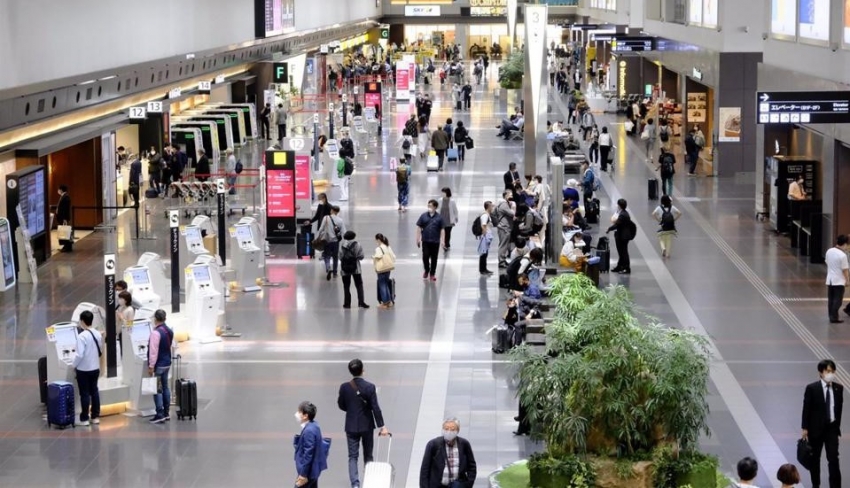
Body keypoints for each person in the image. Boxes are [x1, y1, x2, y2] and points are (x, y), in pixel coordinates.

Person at [338, 359, 390, 488]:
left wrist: (351, 409)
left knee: (352, 456)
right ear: (362, 370)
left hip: (350, 426)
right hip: (366, 425)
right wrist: (382, 426)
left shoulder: (344, 387)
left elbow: (341, 404)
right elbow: (375, 408)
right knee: (368, 454)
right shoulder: (370, 387)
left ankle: (355, 484)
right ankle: (369, 481)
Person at [802, 359, 844, 488]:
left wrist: (837, 428)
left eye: (832, 371)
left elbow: (839, 409)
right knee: (815, 460)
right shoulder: (812, 388)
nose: (830, 374)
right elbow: (806, 408)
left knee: (833, 459)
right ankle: (816, 484)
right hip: (816, 430)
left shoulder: (839, 388)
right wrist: (805, 428)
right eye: (828, 371)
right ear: (821, 372)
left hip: (831, 429)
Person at [419, 418, 477, 488]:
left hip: (458, 485)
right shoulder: (433, 444)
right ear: (443, 430)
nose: (449, 432)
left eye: (452, 429)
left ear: (457, 430)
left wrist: (468, 484)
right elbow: (425, 469)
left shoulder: (464, 444)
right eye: (446, 429)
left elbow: (472, 466)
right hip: (437, 485)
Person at [72, 310, 102, 426]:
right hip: (95, 368)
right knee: (94, 391)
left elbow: (79, 355)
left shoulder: (81, 336)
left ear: (82, 321)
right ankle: (95, 416)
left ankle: (84, 418)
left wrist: (73, 365)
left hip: (83, 370)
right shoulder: (97, 333)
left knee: (84, 393)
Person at [147, 309, 173, 423]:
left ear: (155, 319)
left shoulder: (155, 333)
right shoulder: (169, 330)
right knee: (165, 387)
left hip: (159, 365)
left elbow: (153, 351)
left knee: (157, 389)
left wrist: (151, 366)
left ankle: (159, 413)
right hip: (167, 363)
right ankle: (167, 413)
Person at [294, 401, 327, 488]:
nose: (297, 414)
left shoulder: (309, 431)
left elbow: (308, 454)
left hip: (308, 473)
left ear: (305, 416)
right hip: (313, 471)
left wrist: (303, 475)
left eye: (299, 412)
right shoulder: (314, 425)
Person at [416, 199, 446, 282]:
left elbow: (442, 230)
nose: (429, 207)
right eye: (428, 206)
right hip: (425, 240)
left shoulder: (439, 218)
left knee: (434, 258)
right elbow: (418, 227)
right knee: (425, 256)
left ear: (435, 207)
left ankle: (432, 273)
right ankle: (426, 269)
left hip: (435, 241)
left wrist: (443, 241)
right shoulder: (423, 216)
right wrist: (418, 238)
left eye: (431, 206)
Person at [339, 231, 368, 309]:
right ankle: (361, 302)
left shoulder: (342, 245)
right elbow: (361, 256)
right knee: (359, 285)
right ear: (353, 236)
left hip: (344, 269)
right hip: (356, 268)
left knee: (346, 286)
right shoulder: (357, 244)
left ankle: (347, 304)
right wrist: (355, 258)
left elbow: (340, 256)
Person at [825, 235, 850, 323]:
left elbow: (827, 262)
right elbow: (845, 269)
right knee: (837, 300)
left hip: (830, 279)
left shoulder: (829, 251)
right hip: (839, 280)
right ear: (845, 244)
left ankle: (831, 316)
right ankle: (834, 317)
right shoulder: (842, 255)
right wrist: (847, 280)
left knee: (831, 299)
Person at [607, 198, 635, 274]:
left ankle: (626, 268)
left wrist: (609, 229)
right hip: (620, 235)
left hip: (623, 236)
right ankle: (620, 266)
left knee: (623, 252)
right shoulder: (623, 213)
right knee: (621, 252)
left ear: (619, 205)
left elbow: (616, 224)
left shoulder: (623, 215)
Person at [317, 206, 345, 281]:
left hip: (327, 241)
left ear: (332, 210)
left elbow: (321, 229)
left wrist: (318, 237)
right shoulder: (340, 220)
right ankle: (335, 273)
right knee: (335, 257)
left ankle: (328, 267)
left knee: (327, 255)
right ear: (338, 212)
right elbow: (343, 232)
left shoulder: (326, 218)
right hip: (335, 241)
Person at [372, 234, 396, 309]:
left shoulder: (379, 248)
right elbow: (393, 257)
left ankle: (385, 303)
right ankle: (389, 301)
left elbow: (378, 257)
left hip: (381, 269)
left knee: (382, 285)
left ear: (378, 240)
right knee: (385, 284)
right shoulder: (388, 247)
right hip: (388, 268)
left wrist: (373, 257)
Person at [495, 191, 516, 268]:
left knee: (504, 245)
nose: (512, 196)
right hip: (504, 227)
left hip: (504, 227)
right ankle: (501, 262)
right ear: (506, 196)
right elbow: (512, 213)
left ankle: (503, 260)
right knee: (503, 245)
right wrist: (513, 207)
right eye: (510, 195)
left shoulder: (504, 203)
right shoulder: (504, 204)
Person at [478, 201, 495, 276]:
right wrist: (485, 235)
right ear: (488, 207)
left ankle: (484, 268)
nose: (492, 208)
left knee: (485, 253)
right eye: (491, 206)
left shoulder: (487, 214)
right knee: (483, 253)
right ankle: (482, 269)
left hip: (487, 235)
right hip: (485, 236)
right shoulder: (485, 215)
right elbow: (483, 225)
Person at [56, 184, 73, 252]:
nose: (58, 191)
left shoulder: (66, 197)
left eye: (59, 189)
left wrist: (64, 219)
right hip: (62, 218)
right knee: (63, 232)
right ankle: (65, 246)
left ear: (61, 190)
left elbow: (65, 209)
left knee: (65, 232)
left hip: (64, 218)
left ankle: (67, 247)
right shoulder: (63, 197)